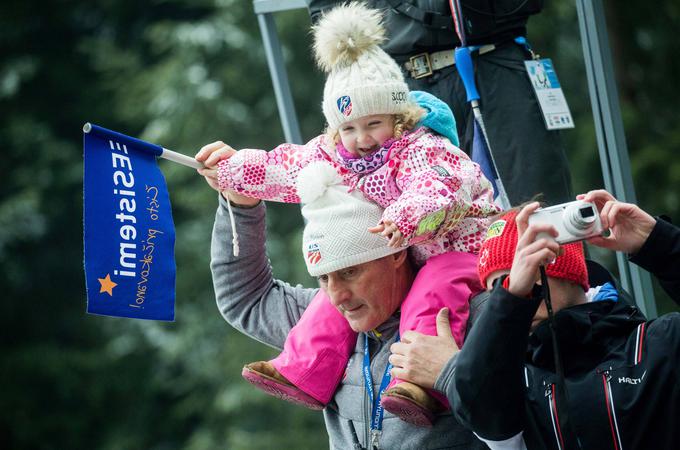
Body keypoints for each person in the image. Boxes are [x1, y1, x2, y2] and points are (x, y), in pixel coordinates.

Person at [196, 2, 500, 427]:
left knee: (436, 288)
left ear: (398, 117)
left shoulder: (422, 148)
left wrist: (404, 218)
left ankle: (420, 383)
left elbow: (440, 188)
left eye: (373, 123)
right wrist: (234, 176)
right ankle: (304, 369)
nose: (361, 140)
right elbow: (283, 167)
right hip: (398, 243)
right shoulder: (335, 156)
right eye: (349, 128)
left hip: (457, 247)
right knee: (327, 308)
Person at [205, 163, 490, 448]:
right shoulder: (319, 323)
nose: (336, 296)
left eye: (349, 272)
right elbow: (246, 298)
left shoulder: (477, 313)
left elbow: (523, 417)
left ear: (396, 254)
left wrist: (451, 374)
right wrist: (240, 206)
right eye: (323, 278)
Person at [389, 189, 680, 449]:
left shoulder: (658, 344)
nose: (522, 285)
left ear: (564, 269)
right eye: (499, 286)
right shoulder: (514, 385)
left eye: (530, 269)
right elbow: (479, 406)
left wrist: (658, 243)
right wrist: (512, 296)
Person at [307, 0, 574, 206]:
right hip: (401, 84)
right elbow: (327, 14)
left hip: (496, 60)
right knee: (427, 227)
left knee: (540, 209)